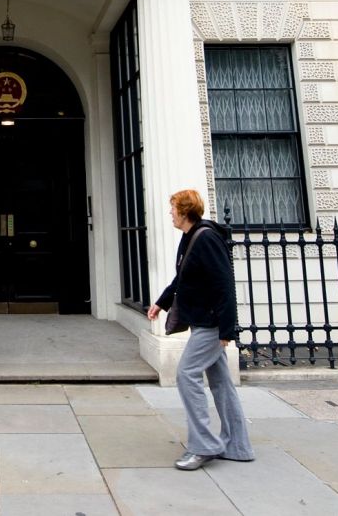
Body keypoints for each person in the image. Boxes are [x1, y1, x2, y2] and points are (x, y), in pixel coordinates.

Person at [147, 188, 254, 471]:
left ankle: (203, 446)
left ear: (184, 211)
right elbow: (182, 278)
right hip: (203, 321)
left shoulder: (206, 238)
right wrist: (161, 302)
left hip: (211, 324)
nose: (170, 213)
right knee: (221, 383)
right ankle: (237, 446)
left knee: (186, 374)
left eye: (173, 208)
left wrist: (227, 331)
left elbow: (224, 285)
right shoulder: (191, 237)